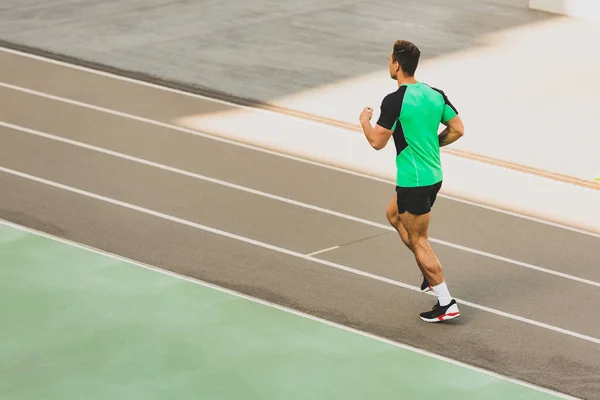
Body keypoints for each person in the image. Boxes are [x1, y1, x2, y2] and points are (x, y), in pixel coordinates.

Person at [358, 39, 465, 322]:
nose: (389, 64)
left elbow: (377, 142)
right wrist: (433, 143)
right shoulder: (435, 94)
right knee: (392, 214)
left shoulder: (394, 100)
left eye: (389, 60)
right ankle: (427, 272)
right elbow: (457, 129)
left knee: (420, 240)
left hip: (414, 182)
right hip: (433, 176)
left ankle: (445, 302)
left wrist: (364, 120)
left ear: (397, 65)